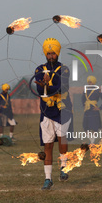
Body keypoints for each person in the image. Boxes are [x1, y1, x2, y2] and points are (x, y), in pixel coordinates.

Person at [34, 38, 73, 190]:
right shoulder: (39, 69)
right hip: (46, 112)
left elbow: (62, 87)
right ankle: (48, 178)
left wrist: (47, 86)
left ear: (58, 53)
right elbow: (39, 90)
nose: (51, 56)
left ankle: (63, 168)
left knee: (62, 140)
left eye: (53, 53)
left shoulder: (64, 69)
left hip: (62, 110)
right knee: (48, 145)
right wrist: (43, 85)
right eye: (48, 53)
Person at [82, 75, 102, 144]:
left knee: (94, 128)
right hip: (87, 111)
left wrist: (99, 108)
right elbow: (82, 99)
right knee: (86, 127)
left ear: (94, 83)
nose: (90, 84)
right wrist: (84, 105)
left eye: (91, 82)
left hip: (94, 111)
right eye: (89, 82)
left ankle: (93, 142)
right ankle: (91, 140)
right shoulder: (85, 90)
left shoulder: (97, 90)